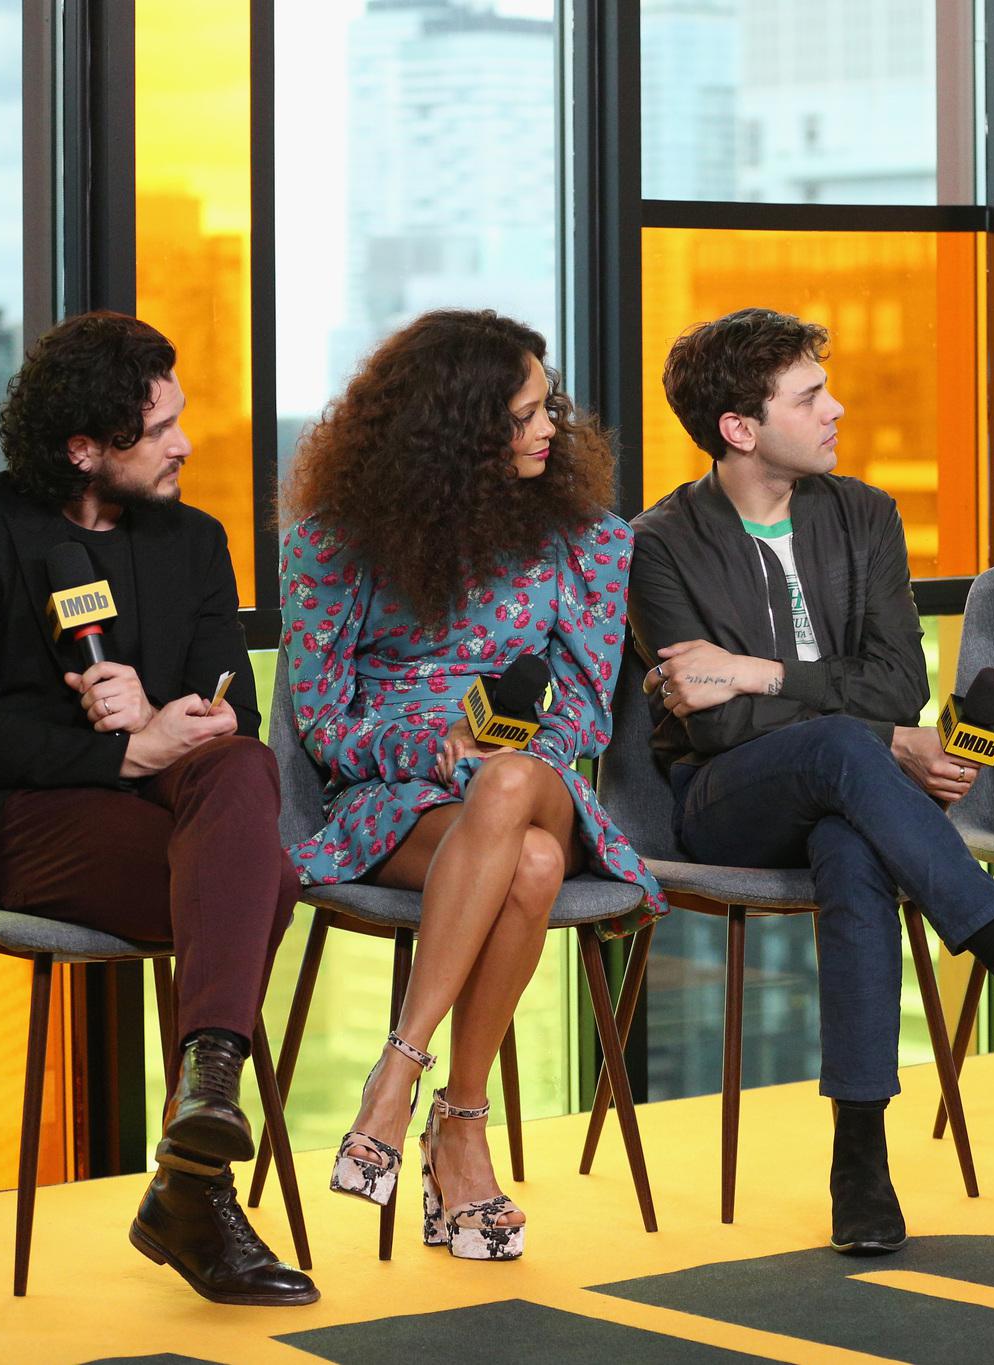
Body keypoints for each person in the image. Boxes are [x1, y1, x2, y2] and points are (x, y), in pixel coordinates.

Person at [628, 307, 994, 1256]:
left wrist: (755, 670)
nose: (836, 408)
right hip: (719, 803)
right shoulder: (662, 542)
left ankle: (861, 1163)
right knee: (848, 747)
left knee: (853, 843)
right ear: (740, 429)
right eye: (810, 396)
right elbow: (709, 723)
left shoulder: (866, 515)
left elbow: (899, 684)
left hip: (840, 795)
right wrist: (857, 729)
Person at [0, 311, 316, 1306]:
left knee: (241, 773)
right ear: (85, 448)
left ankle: (204, 1097)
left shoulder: (194, 541)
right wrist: (117, 752)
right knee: (261, 880)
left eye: (178, 421)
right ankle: (195, 1193)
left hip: (175, 807)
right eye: (157, 430)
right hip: (15, 822)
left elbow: (230, 709)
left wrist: (161, 717)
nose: (184, 444)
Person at [281, 309, 663, 1262]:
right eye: (526, 415)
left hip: (537, 775)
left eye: (550, 408)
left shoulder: (590, 542)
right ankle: (460, 1128)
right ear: (454, 430)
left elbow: (584, 710)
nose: (550, 431)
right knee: (526, 864)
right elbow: (324, 725)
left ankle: (395, 1071)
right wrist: (438, 749)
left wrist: (498, 749)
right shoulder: (333, 543)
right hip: (404, 796)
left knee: (516, 788)